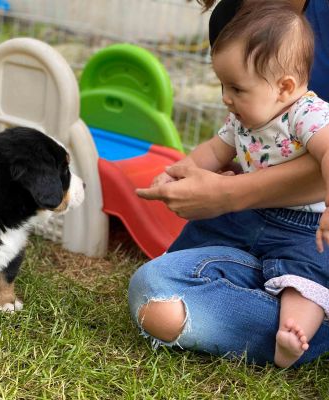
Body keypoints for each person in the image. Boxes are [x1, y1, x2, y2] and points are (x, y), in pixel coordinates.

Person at [128, 0, 329, 367]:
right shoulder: (242, 116)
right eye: (223, 85)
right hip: (247, 216)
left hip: (303, 227)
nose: (225, 97)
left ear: (284, 87)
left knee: (305, 277)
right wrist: (178, 172)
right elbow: (215, 151)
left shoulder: (307, 113)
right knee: (172, 262)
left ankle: (295, 332)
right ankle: (275, 315)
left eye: (235, 88)